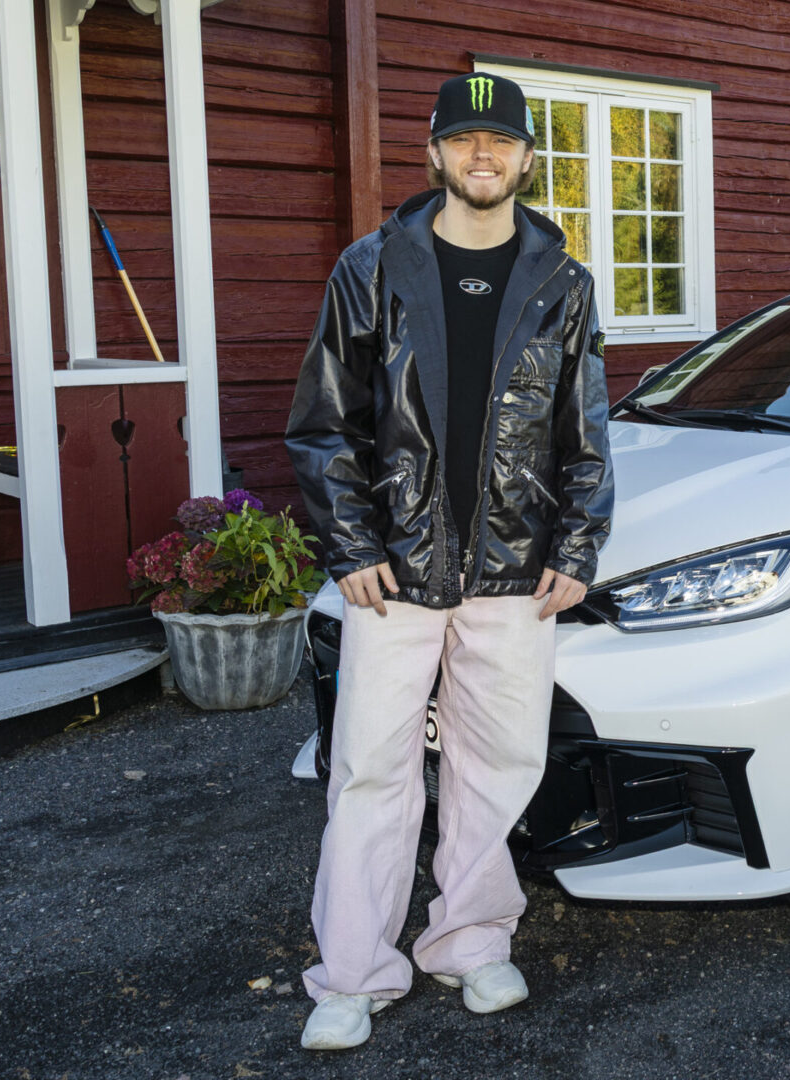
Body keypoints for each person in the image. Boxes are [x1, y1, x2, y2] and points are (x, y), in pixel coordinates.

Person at [282, 71, 613, 1051]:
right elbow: (324, 424)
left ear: (524, 157)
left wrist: (580, 541)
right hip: (393, 575)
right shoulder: (372, 266)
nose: (482, 155)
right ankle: (353, 972)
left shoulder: (563, 280)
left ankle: (469, 941)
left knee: (497, 764)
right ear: (434, 151)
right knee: (369, 771)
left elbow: (583, 430)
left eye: (500, 141)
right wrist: (348, 544)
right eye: (463, 139)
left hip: (517, 573)